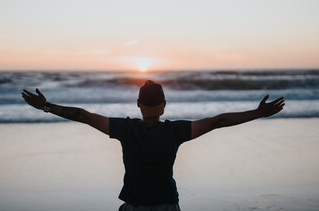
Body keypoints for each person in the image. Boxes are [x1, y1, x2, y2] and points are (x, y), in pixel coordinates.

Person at [22, 80, 285, 211]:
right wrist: (257, 113)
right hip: (166, 205)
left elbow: (82, 115)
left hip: (134, 205)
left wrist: (46, 106)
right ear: (164, 105)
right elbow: (218, 121)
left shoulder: (125, 129)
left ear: (138, 104)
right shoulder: (175, 131)